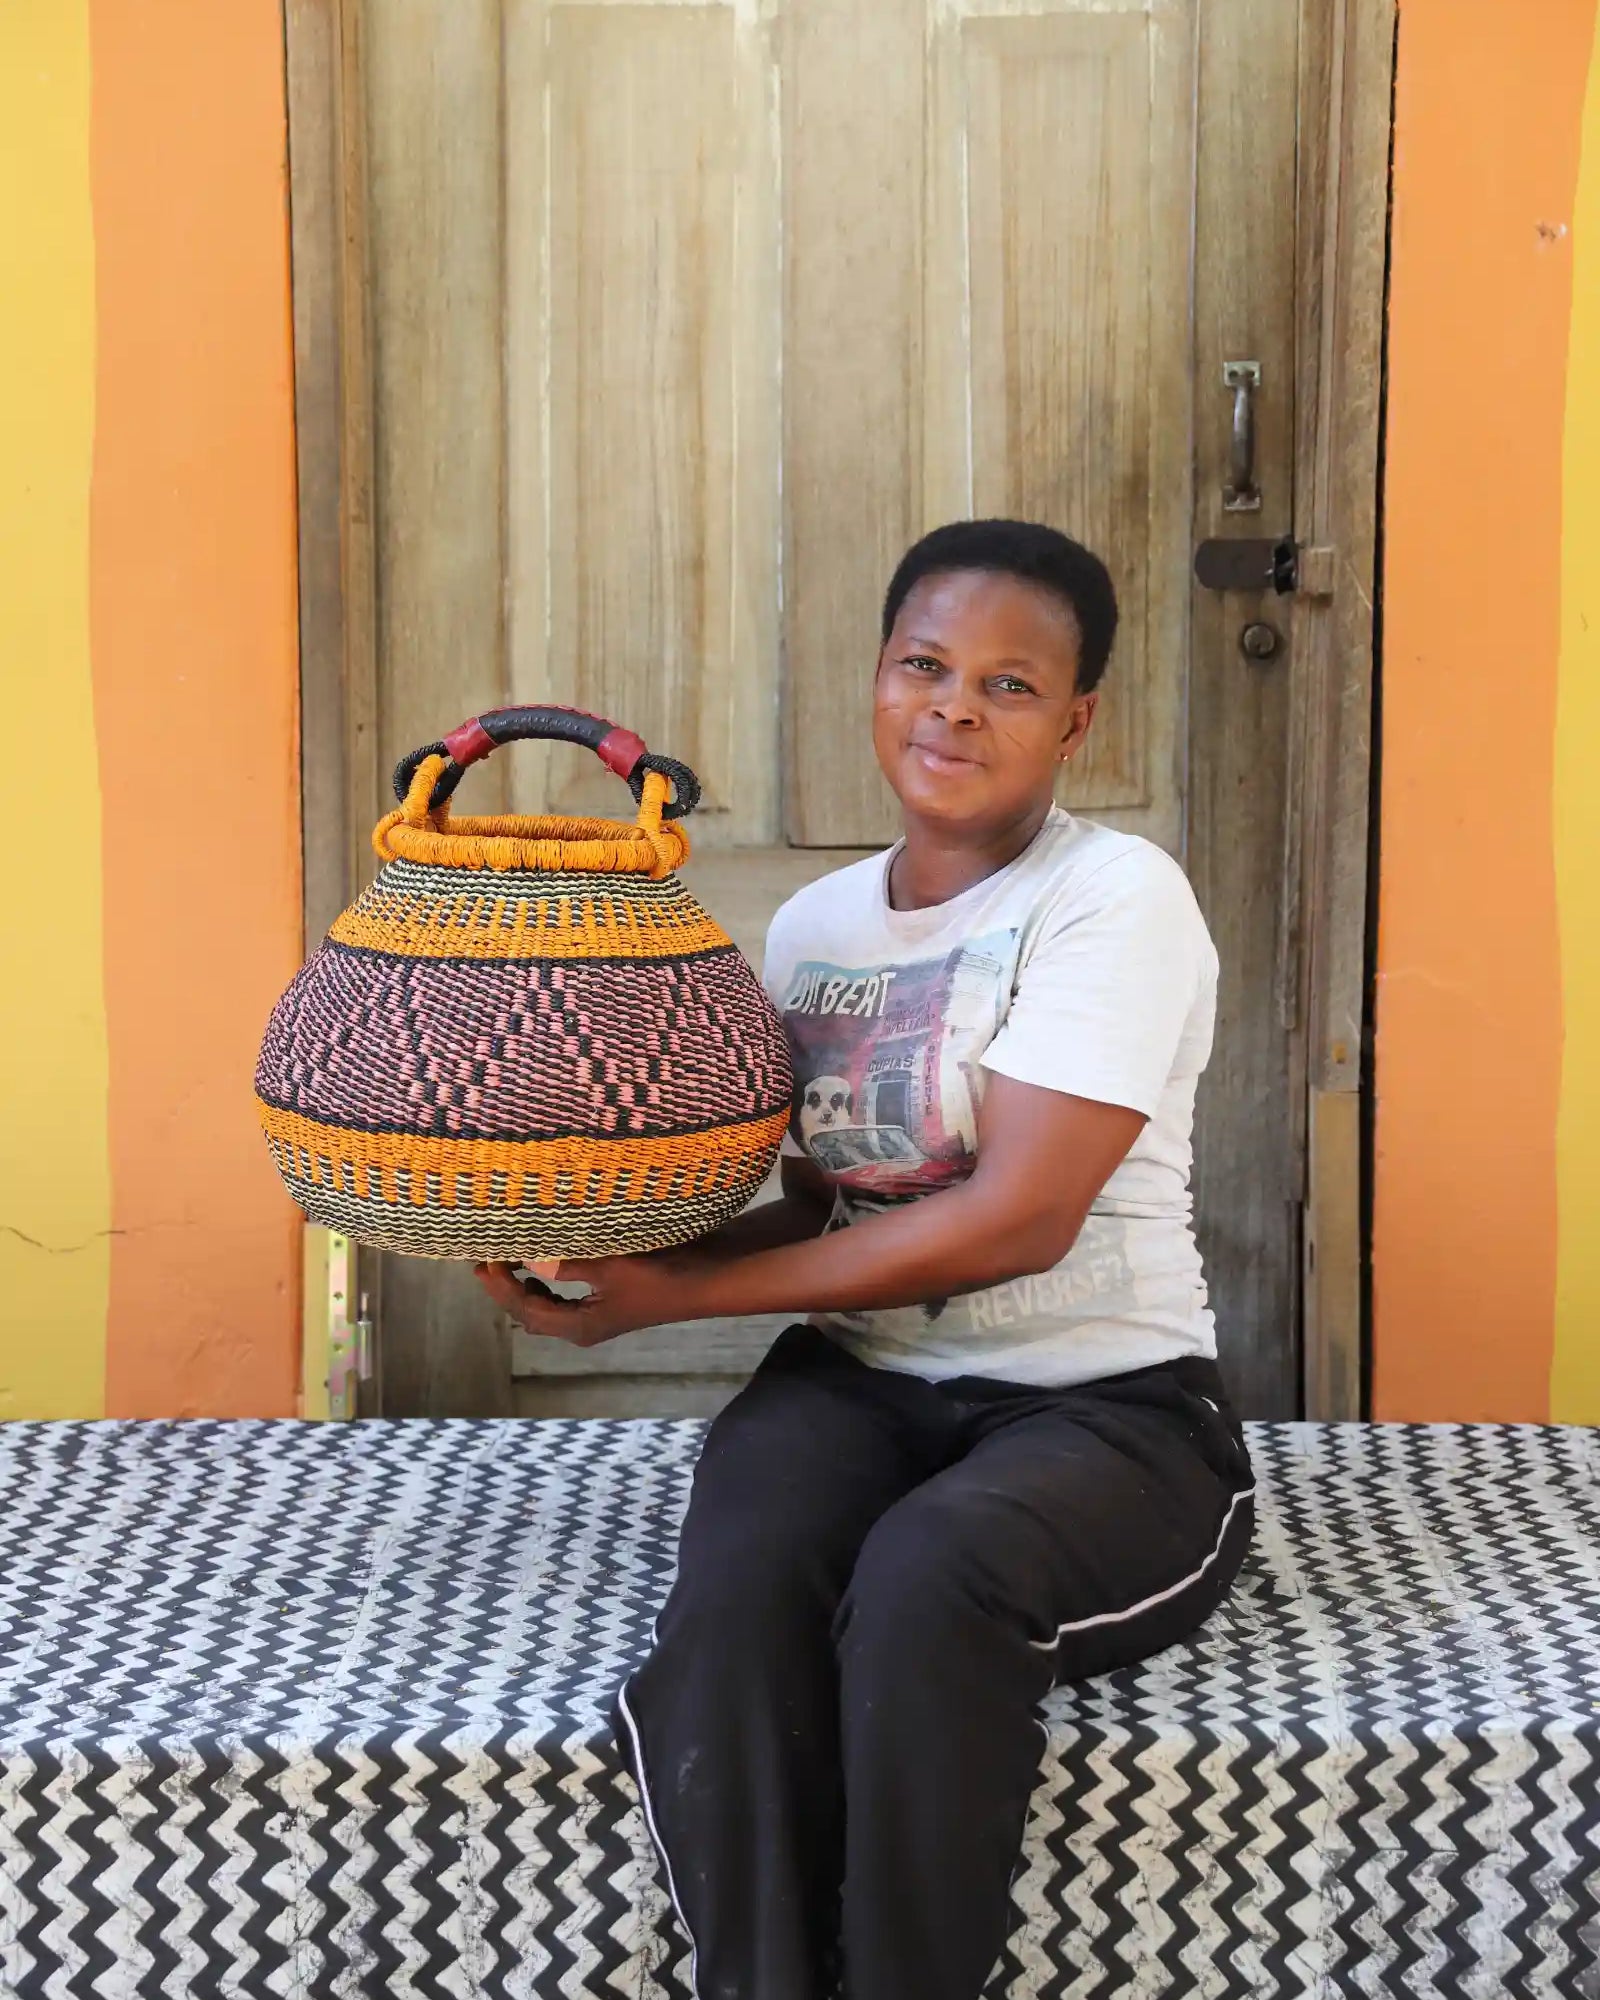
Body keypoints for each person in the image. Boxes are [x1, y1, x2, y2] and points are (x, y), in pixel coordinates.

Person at [477, 519, 1255, 2000]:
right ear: (878, 678)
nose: (955, 708)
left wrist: (675, 1305)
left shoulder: (1114, 896)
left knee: (928, 1582)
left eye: (1011, 685)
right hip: (862, 1385)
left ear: (1076, 721)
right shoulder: (818, 926)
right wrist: (594, 1249)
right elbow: (831, 1206)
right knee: (738, 1598)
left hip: (1109, 1411)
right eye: (924, 665)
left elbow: (1017, 1219)